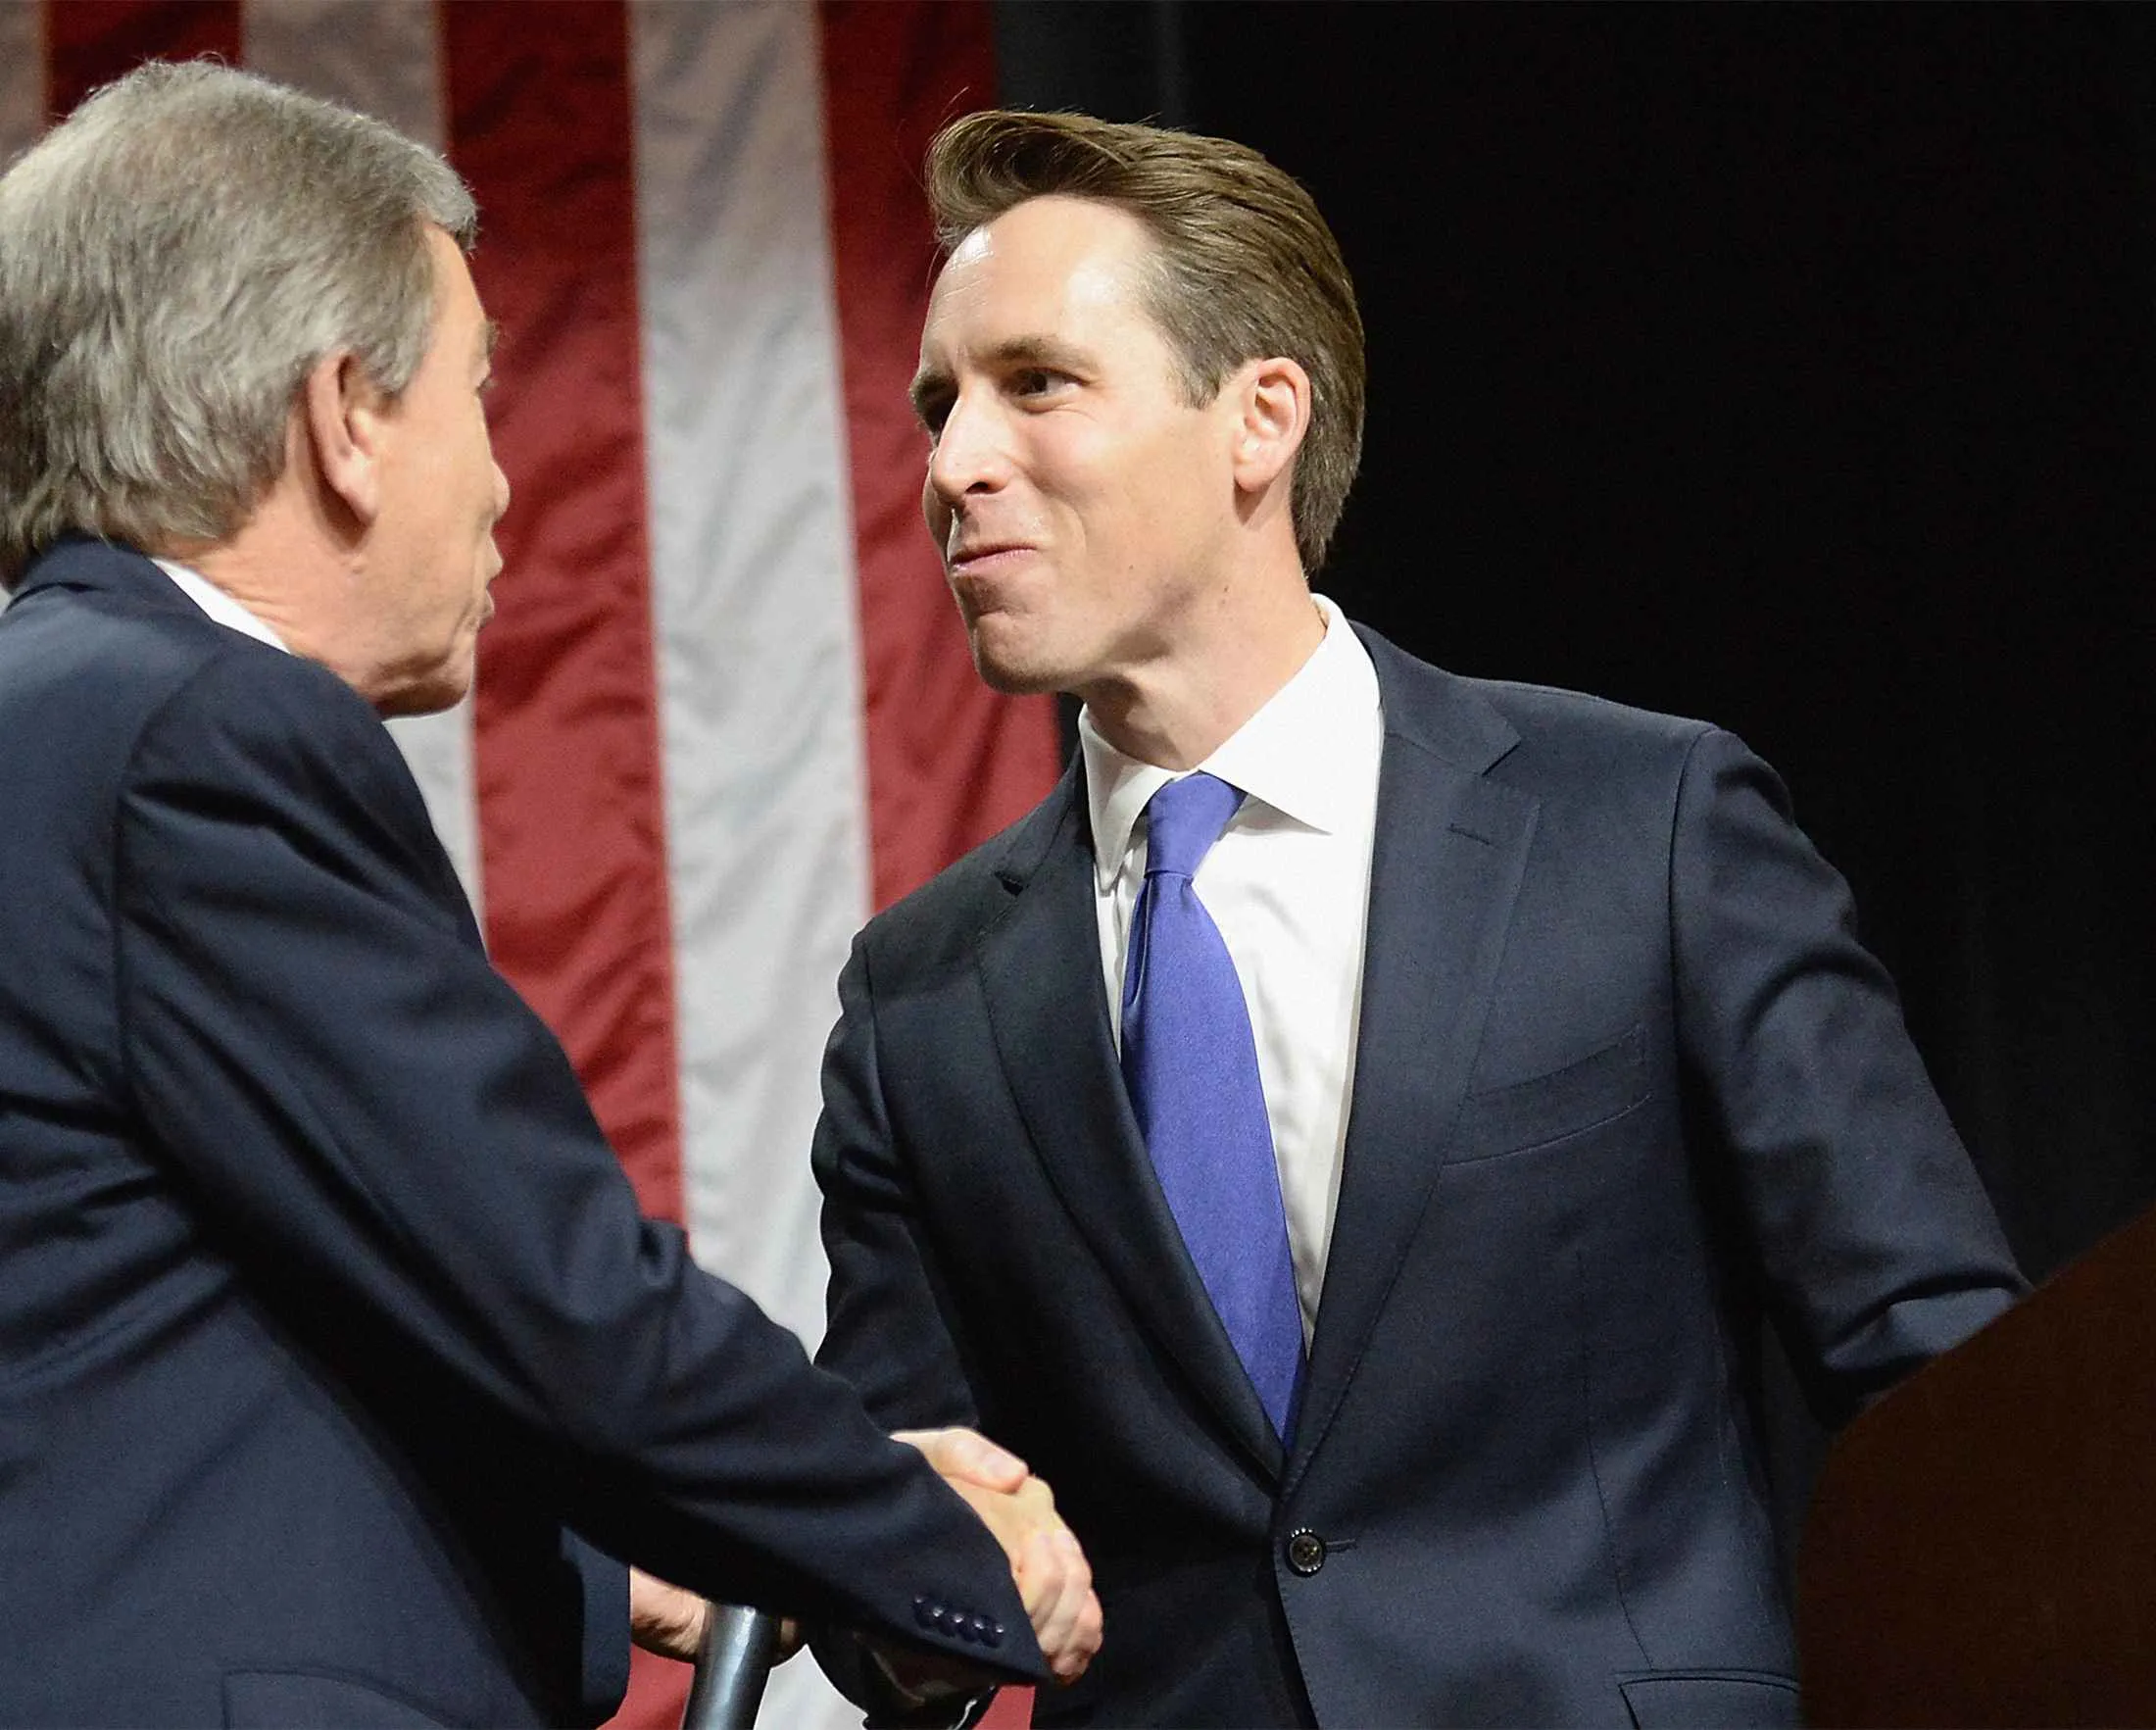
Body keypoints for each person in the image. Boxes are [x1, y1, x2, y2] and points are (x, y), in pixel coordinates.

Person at [808, 109, 2025, 1727]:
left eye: (1037, 384)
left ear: (1258, 420)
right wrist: (912, 1602)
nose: (953, 463)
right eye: (940, 405)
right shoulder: (920, 1002)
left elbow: (1953, 1394)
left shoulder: (1641, 830)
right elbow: (899, 1568)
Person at [0, 63, 1099, 1730]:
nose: (506, 483)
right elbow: (548, 1291)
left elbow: (170, 1360)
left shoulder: (54, 711)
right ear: (344, 417)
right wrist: (916, 1538)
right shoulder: (196, 735)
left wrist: (620, 1577)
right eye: (477, 395)